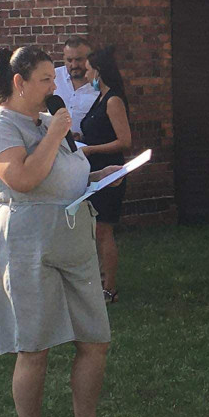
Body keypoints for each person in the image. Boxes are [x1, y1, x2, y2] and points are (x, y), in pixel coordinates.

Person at [0, 45, 131, 417]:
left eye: (54, 78)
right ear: (18, 83)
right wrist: (54, 135)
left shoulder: (49, 121)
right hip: (28, 244)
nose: (54, 86)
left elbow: (69, 173)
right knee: (36, 346)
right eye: (45, 79)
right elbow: (24, 179)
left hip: (74, 239)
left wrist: (100, 176)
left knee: (95, 339)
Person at [80, 46, 132, 305]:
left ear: (98, 72)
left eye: (88, 69)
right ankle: (96, 281)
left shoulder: (113, 100)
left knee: (104, 229)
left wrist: (91, 149)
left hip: (110, 173)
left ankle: (109, 287)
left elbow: (124, 140)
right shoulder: (97, 99)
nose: (85, 74)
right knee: (94, 230)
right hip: (92, 171)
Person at [53, 35, 100, 140]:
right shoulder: (53, 78)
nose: (74, 65)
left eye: (78, 60)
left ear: (89, 59)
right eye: (69, 60)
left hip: (89, 148)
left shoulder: (100, 83)